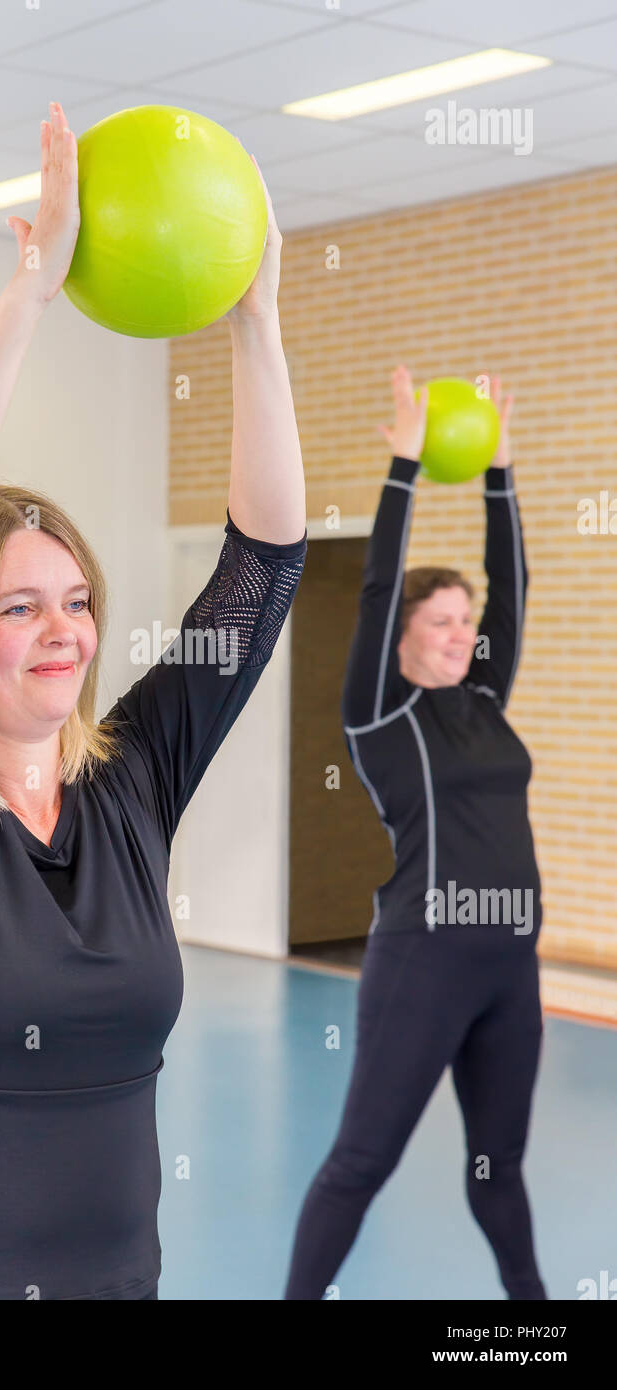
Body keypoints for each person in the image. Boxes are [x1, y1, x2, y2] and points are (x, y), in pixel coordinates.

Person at [0, 100, 307, 1300]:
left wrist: (255, 327)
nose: (65, 632)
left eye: (78, 601)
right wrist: (28, 298)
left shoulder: (131, 780)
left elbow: (261, 570)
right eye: (22, 605)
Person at [283, 364, 546, 1300]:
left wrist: (499, 472)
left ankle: (534, 1325)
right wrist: (403, 462)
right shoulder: (380, 717)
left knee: (497, 1171)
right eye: (440, 620)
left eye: (465, 620)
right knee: (361, 1163)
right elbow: (377, 583)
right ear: (402, 638)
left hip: (509, 968)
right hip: (424, 962)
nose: (460, 632)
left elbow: (515, 583)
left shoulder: (483, 701)